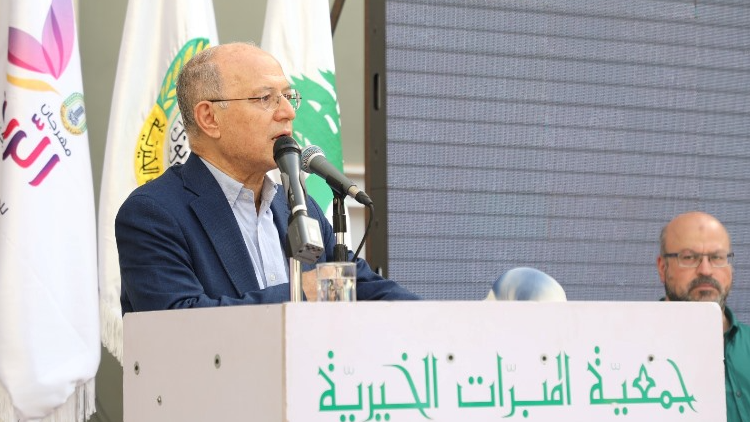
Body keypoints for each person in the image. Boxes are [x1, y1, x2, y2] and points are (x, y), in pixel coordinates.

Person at [115, 42, 419, 312]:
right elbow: (179, 321)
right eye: (265, 98)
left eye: (288, 96)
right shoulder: (153, 213)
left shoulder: (298, 206)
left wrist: (436, 317)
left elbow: (362, 287)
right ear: (209, 118)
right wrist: (300, 294)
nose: (288, 112)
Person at [657, 211, 749, 421]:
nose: (706, 270)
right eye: (689, 258)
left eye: (717, 258)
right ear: (663, 268)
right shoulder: (630, 350)